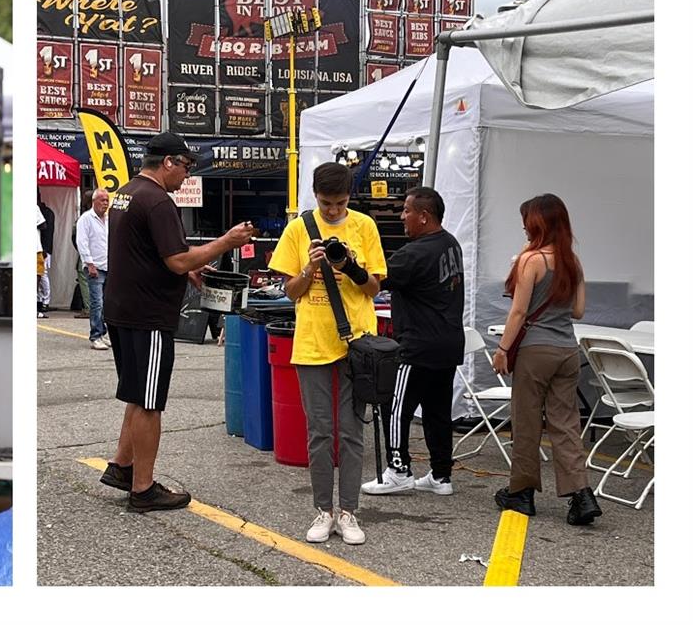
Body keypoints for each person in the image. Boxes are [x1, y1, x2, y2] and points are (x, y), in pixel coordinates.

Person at [100, 134, 256, 513]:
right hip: (148, 314)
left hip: (122, 308)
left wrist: (186, 267)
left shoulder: (126, 193)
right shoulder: (157, 201)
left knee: (137, 393)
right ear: (168, 162)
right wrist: (226, 241)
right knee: (150, 402)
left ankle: (122, 466)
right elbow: (176, 259)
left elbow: (149, 253)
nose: (187, 176)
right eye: (186, 166)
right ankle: (143, 488)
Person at [268, 161, 387, 545]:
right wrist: (309, 269)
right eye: (326, 203)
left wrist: (350, 266)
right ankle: (323, 509)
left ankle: (349, 511)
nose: (333, 210)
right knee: (319, 432)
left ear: (349, 197)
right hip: (312, 342)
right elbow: (290, 291)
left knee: (352, 432)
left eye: (339, 203)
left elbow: (373, 289)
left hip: (356, 342)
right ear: (315, 197)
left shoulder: (364, 226)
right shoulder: (299, 229)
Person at [493, 194, 600, 525]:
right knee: (566, 423)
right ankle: (581, 496)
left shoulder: (531, 260)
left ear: (537, 222)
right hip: (567, 350)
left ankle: (522, 493)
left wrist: (502, 350)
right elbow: (578, 311)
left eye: (527, 220)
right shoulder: (573, 261)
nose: (524, 226)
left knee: (526, 421)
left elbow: (520, 311)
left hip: (534, 352)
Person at [362, 185, 463, 498]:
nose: (402, 216)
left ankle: (398, 469)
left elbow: (374, 282)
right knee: (437, 412)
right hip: (447, 343)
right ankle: (441, 475)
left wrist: (351, 263)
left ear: (424, 216)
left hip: (417, 345)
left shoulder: (415, 253)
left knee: (395, 408)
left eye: (406, 211)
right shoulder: (450, 243)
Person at [77, 187, 113, 347]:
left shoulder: (108, 220)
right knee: (97, 303)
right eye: (102, 200)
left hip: (108, 265)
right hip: (95, 267)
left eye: (107, 200)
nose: (105, 203)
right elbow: (82, 242)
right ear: (94, 202)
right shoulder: (86, 219)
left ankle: (103, 332)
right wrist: (89, 263)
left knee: (106, 303)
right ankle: (95, 336)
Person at [37, 199, 57, 313]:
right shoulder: (46, 211)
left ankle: (45, 301)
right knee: (40, 275)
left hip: (42, 249)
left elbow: (47, 231)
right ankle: (40, 299)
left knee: (42, 275)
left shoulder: (45, 212)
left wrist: (46, 249)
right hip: (41, 248)